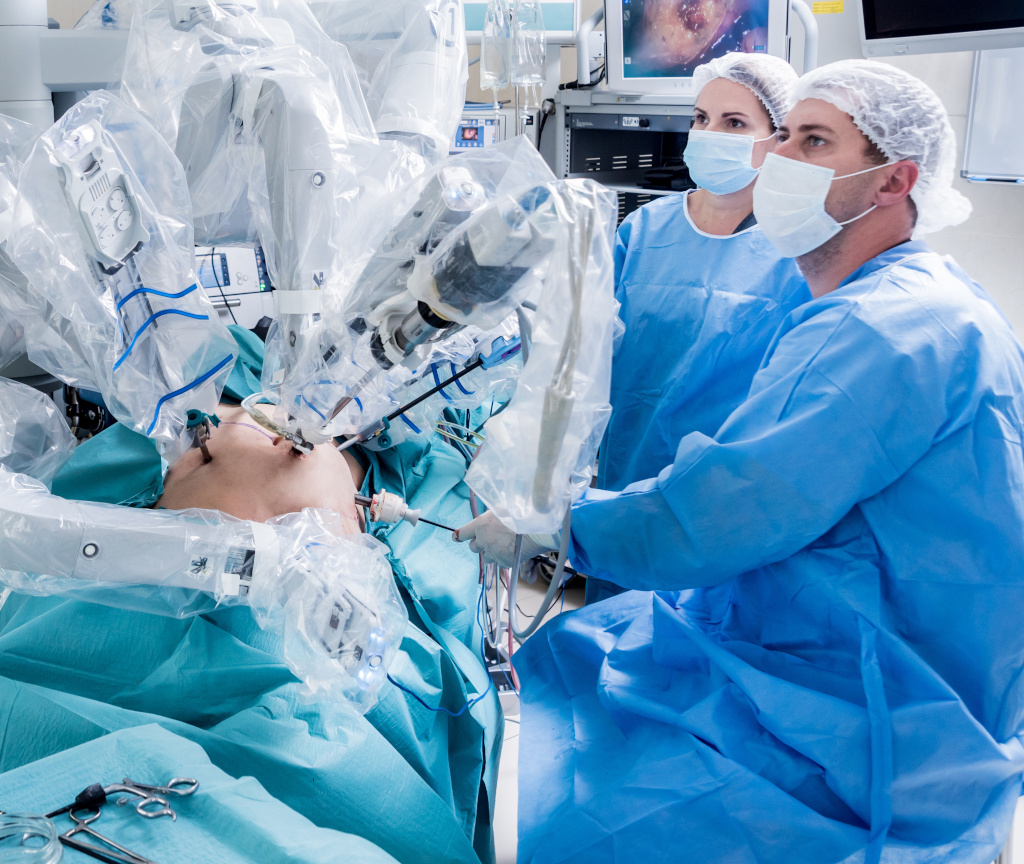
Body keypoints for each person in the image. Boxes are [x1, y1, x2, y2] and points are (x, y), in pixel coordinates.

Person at [463, 60, 1024, 862]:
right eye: (786, 135)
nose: (777, 159)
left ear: (894, 180)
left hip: (875, 716)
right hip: (904, 670)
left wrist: (554, 525)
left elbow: (718, 511)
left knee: (600, 754)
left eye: (814, 140)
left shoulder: (880, 332)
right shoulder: (914, 300)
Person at [0, 327, 502, 864]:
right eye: (199, 454)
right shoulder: (139, 602)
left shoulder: (421, 483)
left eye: (203, 451)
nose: (258, 426)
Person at [586, 51, 809, 601]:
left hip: (724, 508)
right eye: (701, 119)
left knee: (698, 654)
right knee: (604, 645)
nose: (710, 134)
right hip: (624, 484)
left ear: (778, 139)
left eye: (735, 124)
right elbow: (585, 348)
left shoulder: (797, 254)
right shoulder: (644, 230)